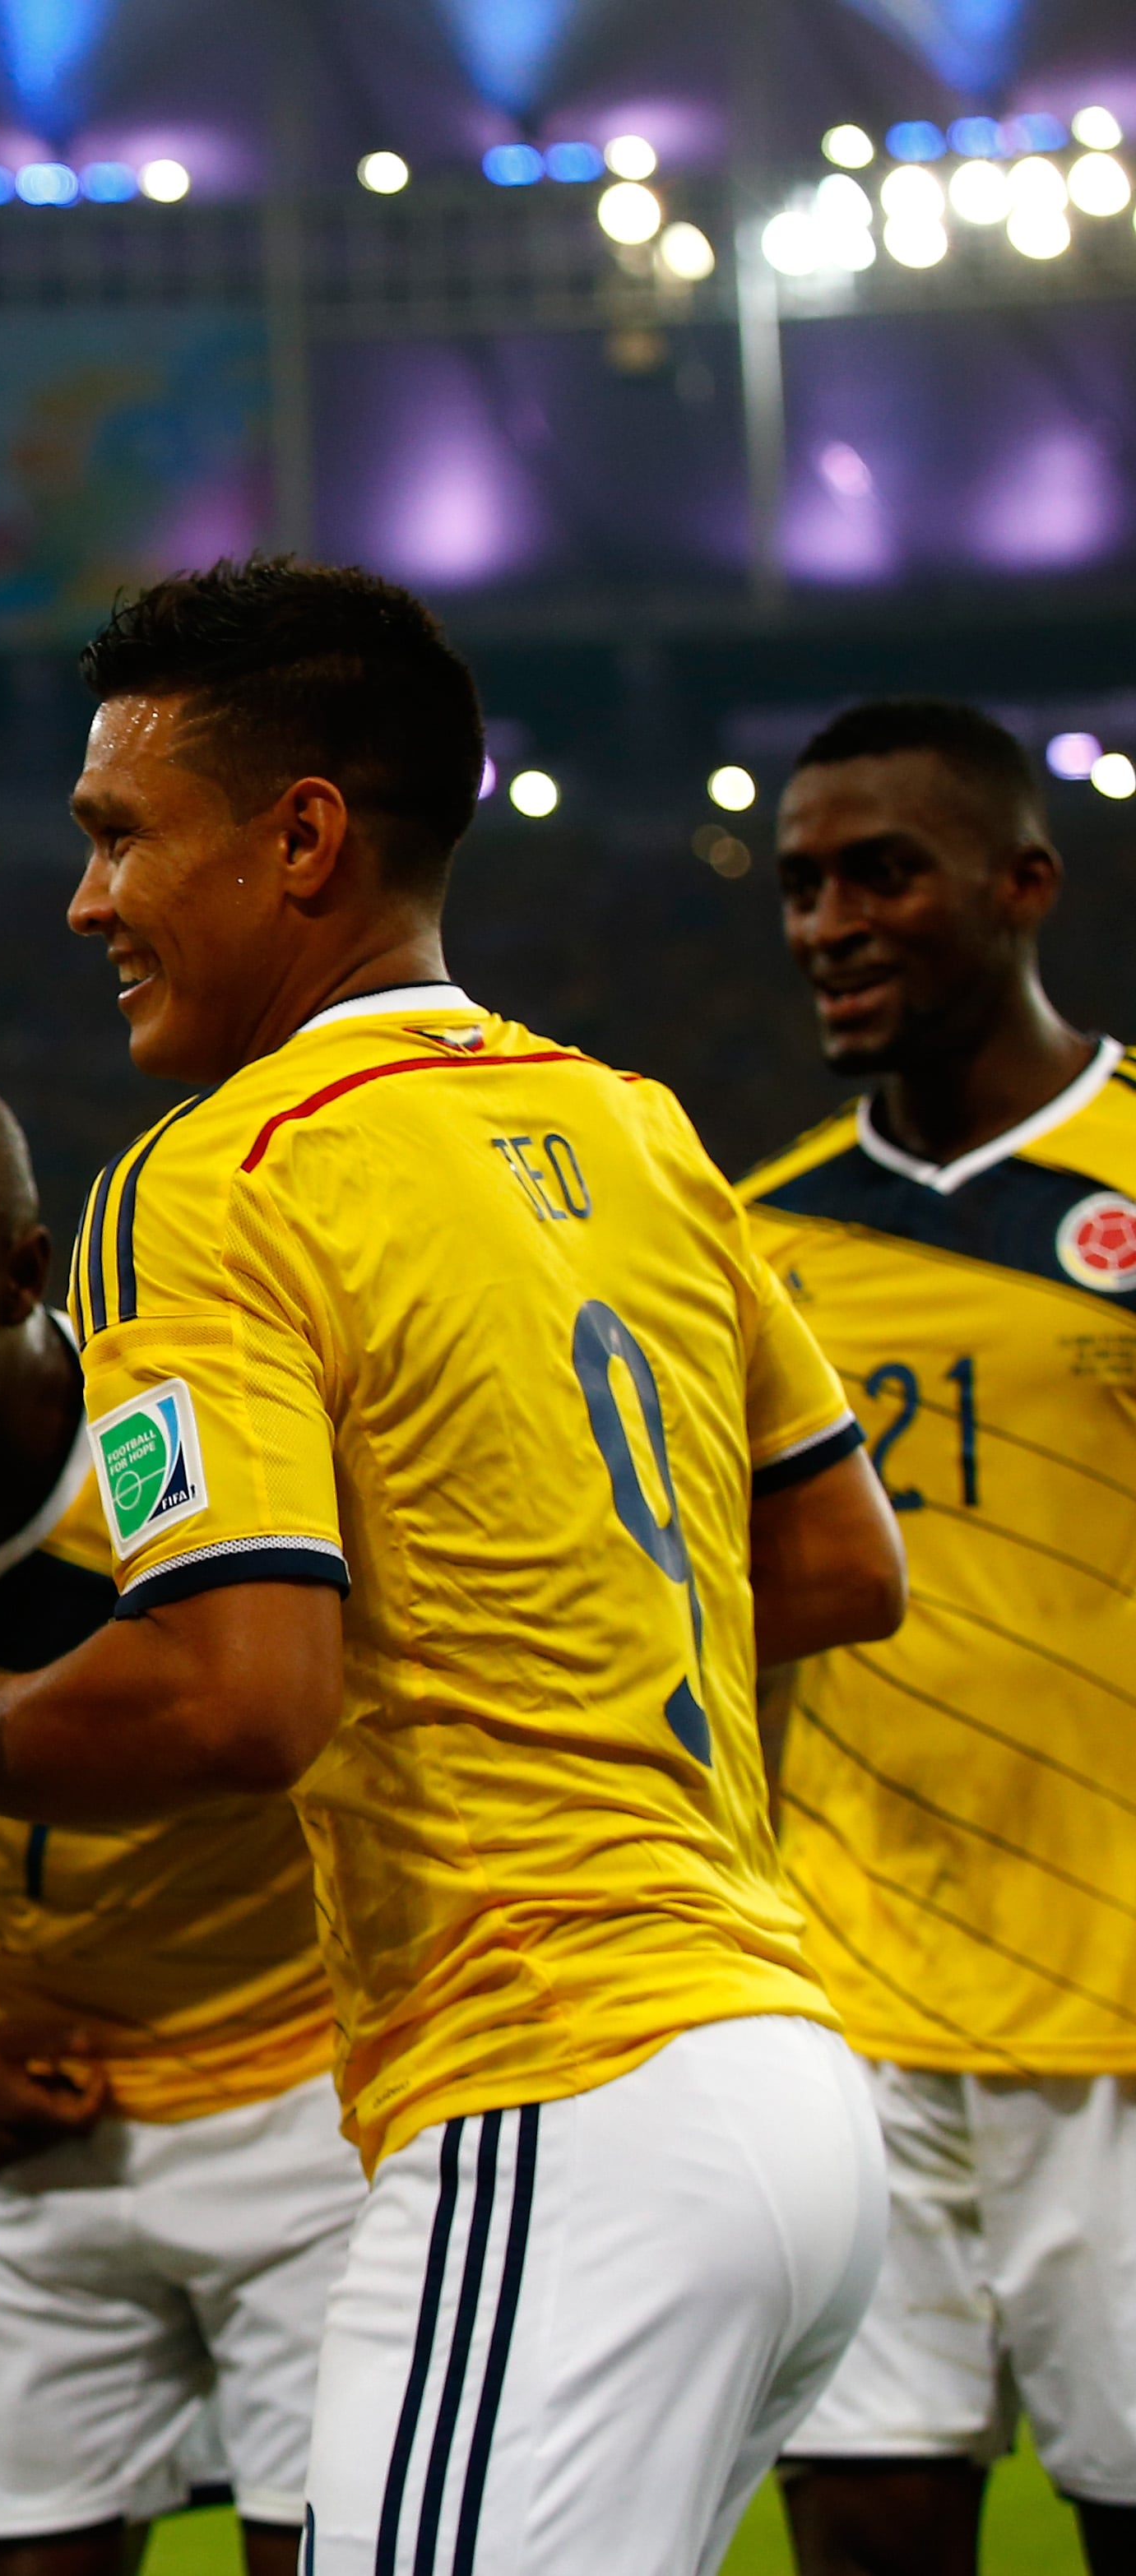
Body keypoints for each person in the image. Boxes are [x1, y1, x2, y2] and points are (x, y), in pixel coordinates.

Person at [0, 554, 916, 2576]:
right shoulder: (638, 1128)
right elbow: (844, 1558)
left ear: (302, 838)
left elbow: (239, 1693)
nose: (87, 901)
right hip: (783, 2070)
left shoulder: (221, 1174)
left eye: (122, 834)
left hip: (554, 2095)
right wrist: (527, 1597)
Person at [0, 1056, 352, 2576]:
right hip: (26, 2130)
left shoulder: (176, 1450)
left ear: (25, 1275)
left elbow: (246, 1711)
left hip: (313, 2111)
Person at [736, 700, 1136, 2576]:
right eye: (805, 885)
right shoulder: (755, 1241)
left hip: (1121, 2029)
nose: (830, 923)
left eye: (883, 874)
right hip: (848, 2029)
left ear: (1022, 884)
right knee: (866, 2535)